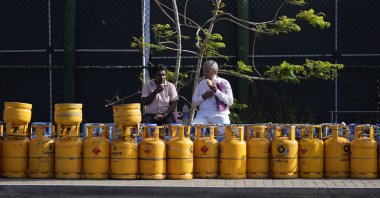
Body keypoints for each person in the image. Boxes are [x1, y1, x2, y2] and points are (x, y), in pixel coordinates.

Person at [191, 60, 233, 126]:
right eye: (204, 71)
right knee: (194, 128)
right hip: (203, 115)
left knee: (224, 131)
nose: (204, 73)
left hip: (220, 115)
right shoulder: (202, 83)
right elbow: (194, 102)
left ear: (215, 72)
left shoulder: (224, 82)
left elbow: (230, 102)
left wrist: (216, 91)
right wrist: (203, 97)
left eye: (207, 71)